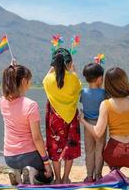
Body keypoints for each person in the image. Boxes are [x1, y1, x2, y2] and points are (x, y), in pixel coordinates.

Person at [0, 61, 53, 185]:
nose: (31, 82)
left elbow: (8, 92)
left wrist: (12, 72)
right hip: (29, 156)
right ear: (24, 81)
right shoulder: (31, 105)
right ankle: (31, 171)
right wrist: (46, 162)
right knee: (48, 176)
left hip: (9, 157)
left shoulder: (2, 101)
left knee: (23, 165)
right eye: (29, 80)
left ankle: (16, 171)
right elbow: (37, 138)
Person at [43, 48, 81, 184]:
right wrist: (73, 70)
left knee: (54, 148)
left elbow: (45, 80)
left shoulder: (48, 80)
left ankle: (58, 178)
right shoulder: (74, 79)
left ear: (53, 64)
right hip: (70, 119)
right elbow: (78, 88)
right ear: (69, 63)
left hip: (54, 119)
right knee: (69, 147)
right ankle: (66, 178)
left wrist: (52, 68)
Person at [80, 63, 106, 182]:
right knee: (99, 150)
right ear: (100, 78)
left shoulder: (83, 92)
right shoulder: (104, 93)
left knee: (89, 151)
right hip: (101, 124)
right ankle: (98, 175)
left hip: (87, 125)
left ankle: (89, 176)